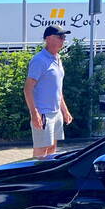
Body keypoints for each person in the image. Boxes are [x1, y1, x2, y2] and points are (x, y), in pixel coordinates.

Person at [24, 25, 73, 159]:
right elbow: (28, 89)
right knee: (41, 152)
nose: (63, 40)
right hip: (43, 113)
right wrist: (34, 114)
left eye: (64, 37)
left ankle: (47, 178)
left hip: (56, 113)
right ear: (48, 39)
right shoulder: (39, 60)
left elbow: (57, 88)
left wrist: (64, 110)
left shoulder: (57, 59)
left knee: (52, 149)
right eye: (60, 37)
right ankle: (34, 178)